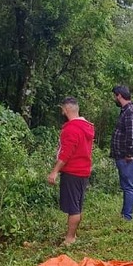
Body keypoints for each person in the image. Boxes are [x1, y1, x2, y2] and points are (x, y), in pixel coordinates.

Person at [47, 97, 95, 246]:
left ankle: (70, 238)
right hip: (83, 170)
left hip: (73, 171)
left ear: (65, 109)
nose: (61, 111)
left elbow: (66, 154)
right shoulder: (87, 127)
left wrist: (54, 171)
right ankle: (72, 235)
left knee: (73, 207)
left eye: (62, 109)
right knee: (77, 205)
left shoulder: (71, 129)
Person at [110, 85, 133, 221]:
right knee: (125, 184)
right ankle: (125, 213)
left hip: (127, 157)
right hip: (122, 155)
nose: (114, 99)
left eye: (114, 96)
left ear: (119, 96)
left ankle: (127, 216)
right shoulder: (125, 111)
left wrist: (129, 153)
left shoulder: (130, 112)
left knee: (128, 186)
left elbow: (132, 134)